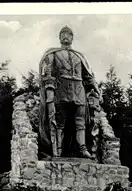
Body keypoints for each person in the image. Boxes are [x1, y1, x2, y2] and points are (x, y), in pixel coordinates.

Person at [38, 25, 102, 159]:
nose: (65, 36)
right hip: (61, 89)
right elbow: (47, 72)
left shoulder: (79, 57)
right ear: (59, 37)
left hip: (79, 90)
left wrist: (94, 87)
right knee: (59, 121)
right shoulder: (52, 54)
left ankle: (83, 149)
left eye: (68, 34)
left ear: (72, 37)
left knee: (80, 121)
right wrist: (49, 86)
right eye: (63, 34)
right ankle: (58, 150)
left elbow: (87, 75)